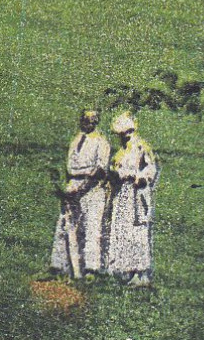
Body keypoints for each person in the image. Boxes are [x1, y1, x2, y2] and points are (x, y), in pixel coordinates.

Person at [49, 109, 108, 278]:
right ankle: (59, 266)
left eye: (90, 121)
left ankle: (91, 269)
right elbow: (70, 167)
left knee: (91, 227)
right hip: (73, 183)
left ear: (96, 122)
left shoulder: (101, 142)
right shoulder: (76, 140)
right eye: (83, 120)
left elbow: (100, 171)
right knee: (64, 224)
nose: (85, 123)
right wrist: (67, 189)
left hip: (92, 187)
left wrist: (81, 190)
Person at [106, 113, 159, 286]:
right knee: (123, 229)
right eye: (122, 133)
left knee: (137, 231)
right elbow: (114, 170)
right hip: (122, 194)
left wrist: (141, 177)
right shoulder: (120, 152)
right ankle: (126, 269)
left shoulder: (141, 147)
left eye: (128, 132)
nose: (126, 136)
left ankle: (141, 273)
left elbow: (151, 168)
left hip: (136, 192)